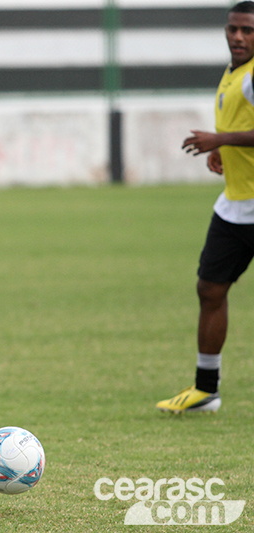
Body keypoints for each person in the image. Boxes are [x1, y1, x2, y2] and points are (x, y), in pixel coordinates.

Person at [158, 1, 254, 414]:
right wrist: (225, 153)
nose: (238, 37)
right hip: (237, 204)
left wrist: (223, 140)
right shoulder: (234, 73)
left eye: (247, 31)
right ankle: (206, 390)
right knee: (210, 289)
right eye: (233, 29)